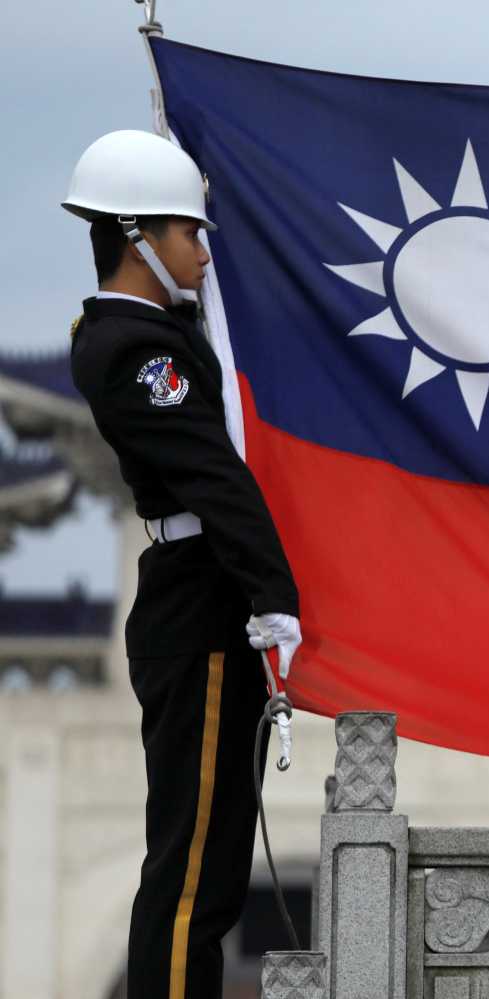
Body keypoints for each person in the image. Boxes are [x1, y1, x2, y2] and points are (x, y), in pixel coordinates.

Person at [62, 129, 304, 999]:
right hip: (199, 614)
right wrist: (274, 594)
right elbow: (214, 473)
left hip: (203, 607)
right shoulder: (136, 352)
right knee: (190, 874)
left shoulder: (160, 332)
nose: (203, 251)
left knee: (214, 869)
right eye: (189, 233)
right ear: (138, 240)